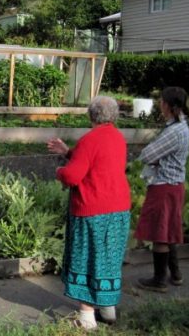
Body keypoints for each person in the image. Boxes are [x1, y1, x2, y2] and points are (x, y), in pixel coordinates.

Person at [47, 96, 131, 330]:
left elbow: (73, 176)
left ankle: (86, 317)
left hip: (92, 209)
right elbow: (96, 160)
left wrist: (60, 171)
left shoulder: (89, 140)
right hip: (118, 209)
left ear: (91, 115)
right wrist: (68, 152)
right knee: (108, 258)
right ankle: (108, 309)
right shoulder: (118, 138)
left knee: (87, 258)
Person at [134, 87, 189, 293]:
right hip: (173, 185)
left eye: (162, 101)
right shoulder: (180, 126)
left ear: (169, 105)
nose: (160, 104)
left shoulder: (175, 131)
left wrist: (149, 156)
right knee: (168, 231)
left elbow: (148, 154)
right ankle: (175, 274)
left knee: (159, 233)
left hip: (164, 186)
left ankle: (159, 280)